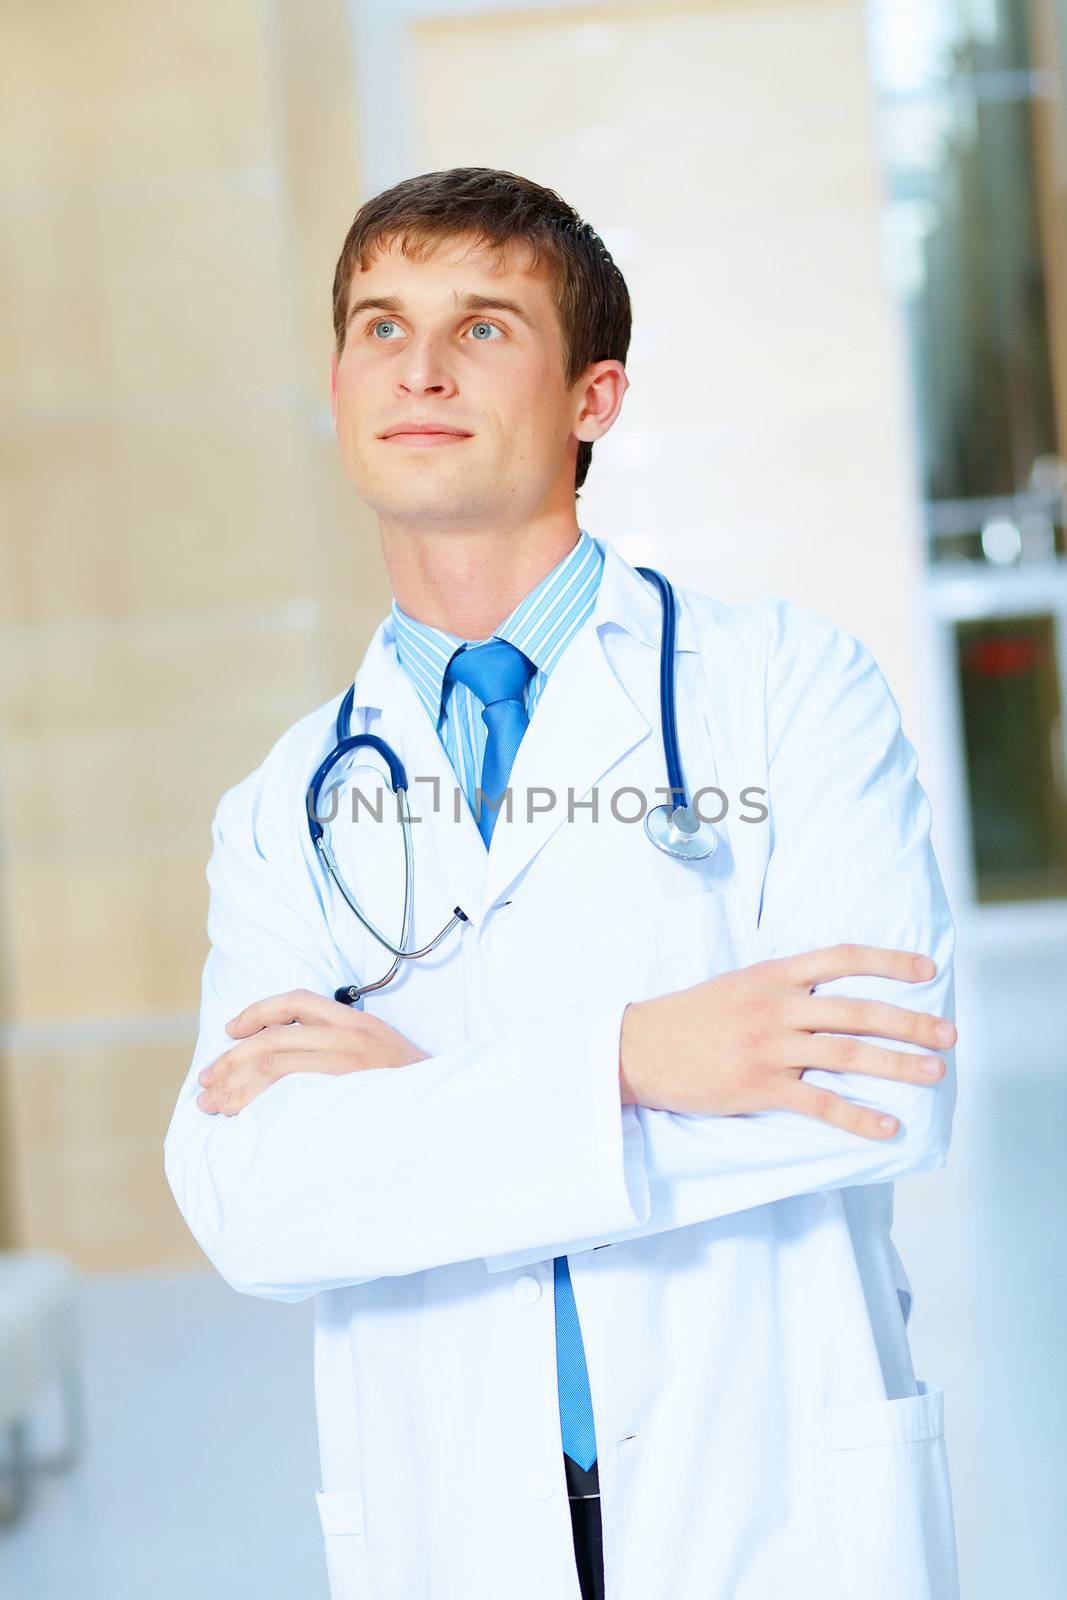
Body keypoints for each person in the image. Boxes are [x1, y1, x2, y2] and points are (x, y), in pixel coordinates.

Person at [164, 167, 960, 1600]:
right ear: (338, 384)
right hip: (452, 1519)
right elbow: (252, 1201)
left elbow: (882, 1087)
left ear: (594, 399)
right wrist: (643, 1059)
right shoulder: (284, 810)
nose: (419, 368)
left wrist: (416, 1098)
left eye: (482, 328)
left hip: (774, 1502)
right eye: (378, 327)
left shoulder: (786, 691)